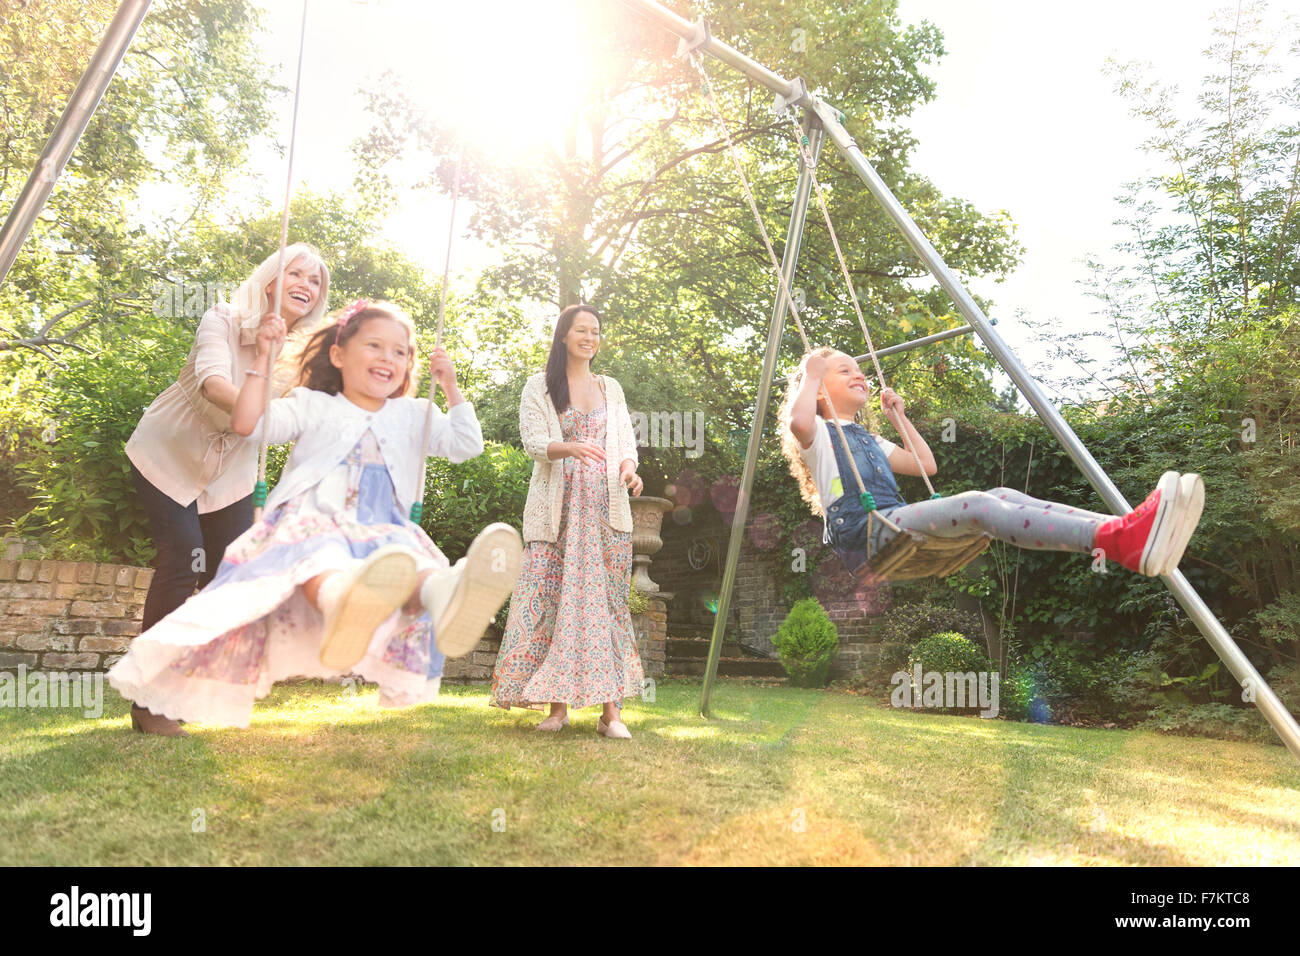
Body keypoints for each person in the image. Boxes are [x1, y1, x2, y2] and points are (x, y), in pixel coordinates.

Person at [108, 300, 522, 732]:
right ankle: (344, 602)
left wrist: (450, 385)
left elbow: (466, 444)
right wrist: (262, 359)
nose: (388, 357)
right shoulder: (312, 404)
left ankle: (446, 598)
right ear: (338, 355)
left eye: (400, 352)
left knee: (414, 564)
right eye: (375, 346)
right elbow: (248, 423)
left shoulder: (414, 414)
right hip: (316, 518)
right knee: (321, 556)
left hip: (384, 529)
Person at [124, 243, 330, 734]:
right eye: (296, 274)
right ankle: (148, 702)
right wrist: (260, 384)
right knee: (183, 554)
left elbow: (313, 414)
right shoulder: (222, 318)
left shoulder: (304, 357)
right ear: (270, 281)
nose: (306, 285)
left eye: (315, 281)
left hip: (231, 475)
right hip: (168, 454)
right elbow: (214, 385)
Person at [779, 347, 1204, 578]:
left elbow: (926, 465)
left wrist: (899, 418)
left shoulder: (869, 438)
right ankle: (1120, 539)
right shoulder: (819, 437)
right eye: (843, 371)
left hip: (890, 524)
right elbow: (798, 421)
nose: (859, 375)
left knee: (1002, 494)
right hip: (866, 536)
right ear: (819, 391)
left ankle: (1126, 531)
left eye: (859, 369)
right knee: (979, 505)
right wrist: (810, 372)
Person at [490, 304, 645, 738]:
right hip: (555, 512)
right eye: (581, 330)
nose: (590, 337)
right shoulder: (539, 386)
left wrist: (629, 471)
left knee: (607, 605)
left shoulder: (610, 387)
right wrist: (571, 448)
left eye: (595, 330)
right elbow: (534, 442)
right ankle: (557, 709)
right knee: (555, 603)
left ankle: (611, 714)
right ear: (563, 335)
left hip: (607, 510)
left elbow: (625, 444)